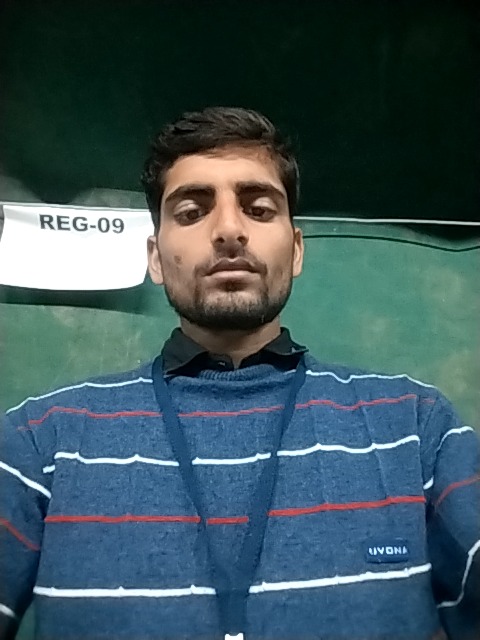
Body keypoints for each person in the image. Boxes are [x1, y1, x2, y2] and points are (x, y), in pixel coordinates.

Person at [0, 107, 478, 640]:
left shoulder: (416, 426)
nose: (229, 230)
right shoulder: (40, 440)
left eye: (258, 209)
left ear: (296, 250)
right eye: (191, 211)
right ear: (155, 258)